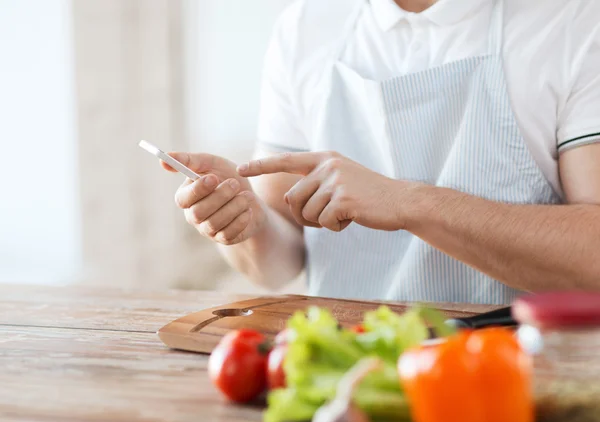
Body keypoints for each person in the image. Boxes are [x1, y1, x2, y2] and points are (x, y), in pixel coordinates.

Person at [162, 0, 600, 304]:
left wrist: (406, 202)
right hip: (350, 373)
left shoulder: (575, 21)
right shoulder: (305, 28)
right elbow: (280, 264)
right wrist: (245, 219)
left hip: (517, 377)